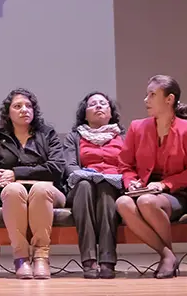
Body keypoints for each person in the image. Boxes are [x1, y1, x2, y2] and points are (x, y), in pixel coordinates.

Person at [116, 75, 187, 279]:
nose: (146, 100)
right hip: (143, 190)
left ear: (170, 99)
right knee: (122, 202)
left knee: (148, 201)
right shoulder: (137, 127)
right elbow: (125, 164)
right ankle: (167, 254)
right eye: (146, 94)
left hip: (176, 193)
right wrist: (132, 182)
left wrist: (165, 184)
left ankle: (167, 257)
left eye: (152, 95)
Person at [0, 88, 65, 279]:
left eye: (28, 106)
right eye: (17, 106)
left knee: (40, 189)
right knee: (13, 189)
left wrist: (16, 173)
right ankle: (21, 257)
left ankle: (41, 256)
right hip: (11, 195)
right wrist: (0, 177)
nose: (24, 110)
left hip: (49, 192)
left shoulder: (47, 134)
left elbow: (57, 168)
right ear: (8, 113)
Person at [63, 92, 124, 279]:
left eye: (103, 103)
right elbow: (70, 166)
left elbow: (130, 165)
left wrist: (112, 177)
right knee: (84, 186)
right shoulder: (74, 137)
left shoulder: (124, 136)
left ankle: (107, 260)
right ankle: (88, 260)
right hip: (82, 186)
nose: (98, 106)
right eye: (92, 104)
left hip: (114, 185)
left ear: (111, 112)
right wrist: (90, 175)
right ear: (85, 114)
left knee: (106, 187)